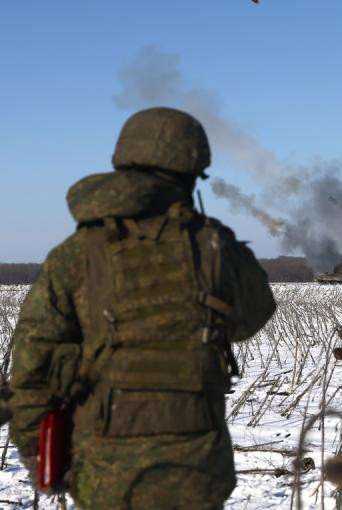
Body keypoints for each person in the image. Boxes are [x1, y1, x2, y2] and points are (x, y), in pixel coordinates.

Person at [8, 107, 276, 509]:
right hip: (197, 469)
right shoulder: (216, 246)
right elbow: (253, 316)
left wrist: (37, 453)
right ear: (189, 172)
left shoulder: (76, 254)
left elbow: (32, 370)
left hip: (103, 473)